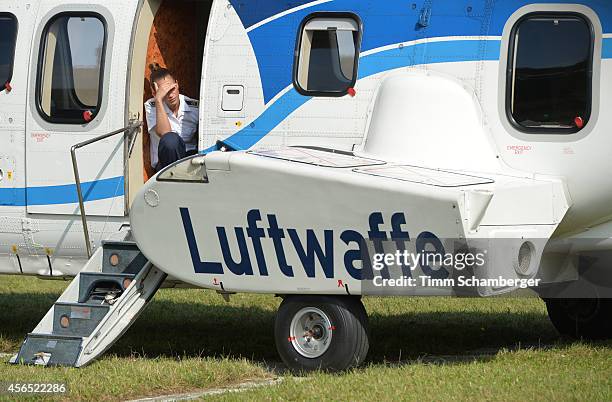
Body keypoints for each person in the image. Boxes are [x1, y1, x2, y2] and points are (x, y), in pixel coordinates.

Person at [144, 65, 199, 171]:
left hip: (191, 160)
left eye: (172, 89)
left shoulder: (194, 107)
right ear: (155, 93)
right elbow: (165, 133)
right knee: (170, 140)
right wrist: (159, 100)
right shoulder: (152, 106)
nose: (170, 95)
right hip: (166, 165)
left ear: (177, 84)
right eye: (165, 92)